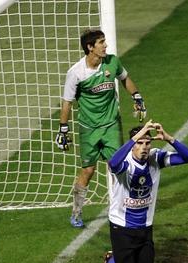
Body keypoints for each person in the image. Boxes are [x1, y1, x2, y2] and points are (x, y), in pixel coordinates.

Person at [97, 121, 188, 263]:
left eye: (147, 142)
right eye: (140, 142)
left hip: (145, 229)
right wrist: (134, 137)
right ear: (132, 145)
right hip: (121, 228)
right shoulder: (125, 163)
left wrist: (169, 138)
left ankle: (112, 261)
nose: (143, 147)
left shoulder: (155, 158)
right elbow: (113, 164)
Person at [55, 28, 147, 228]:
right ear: (90, 47)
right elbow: (67, 103)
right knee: (88, 170)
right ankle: (77, 212)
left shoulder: (112, 62)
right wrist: (63, 129)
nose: (106, 45)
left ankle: (120, 208)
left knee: (118, 168)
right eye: (101, 42)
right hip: (89, 128)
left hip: (111, 125)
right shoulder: (76, 73)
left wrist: (137, 97)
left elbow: (125, 78)